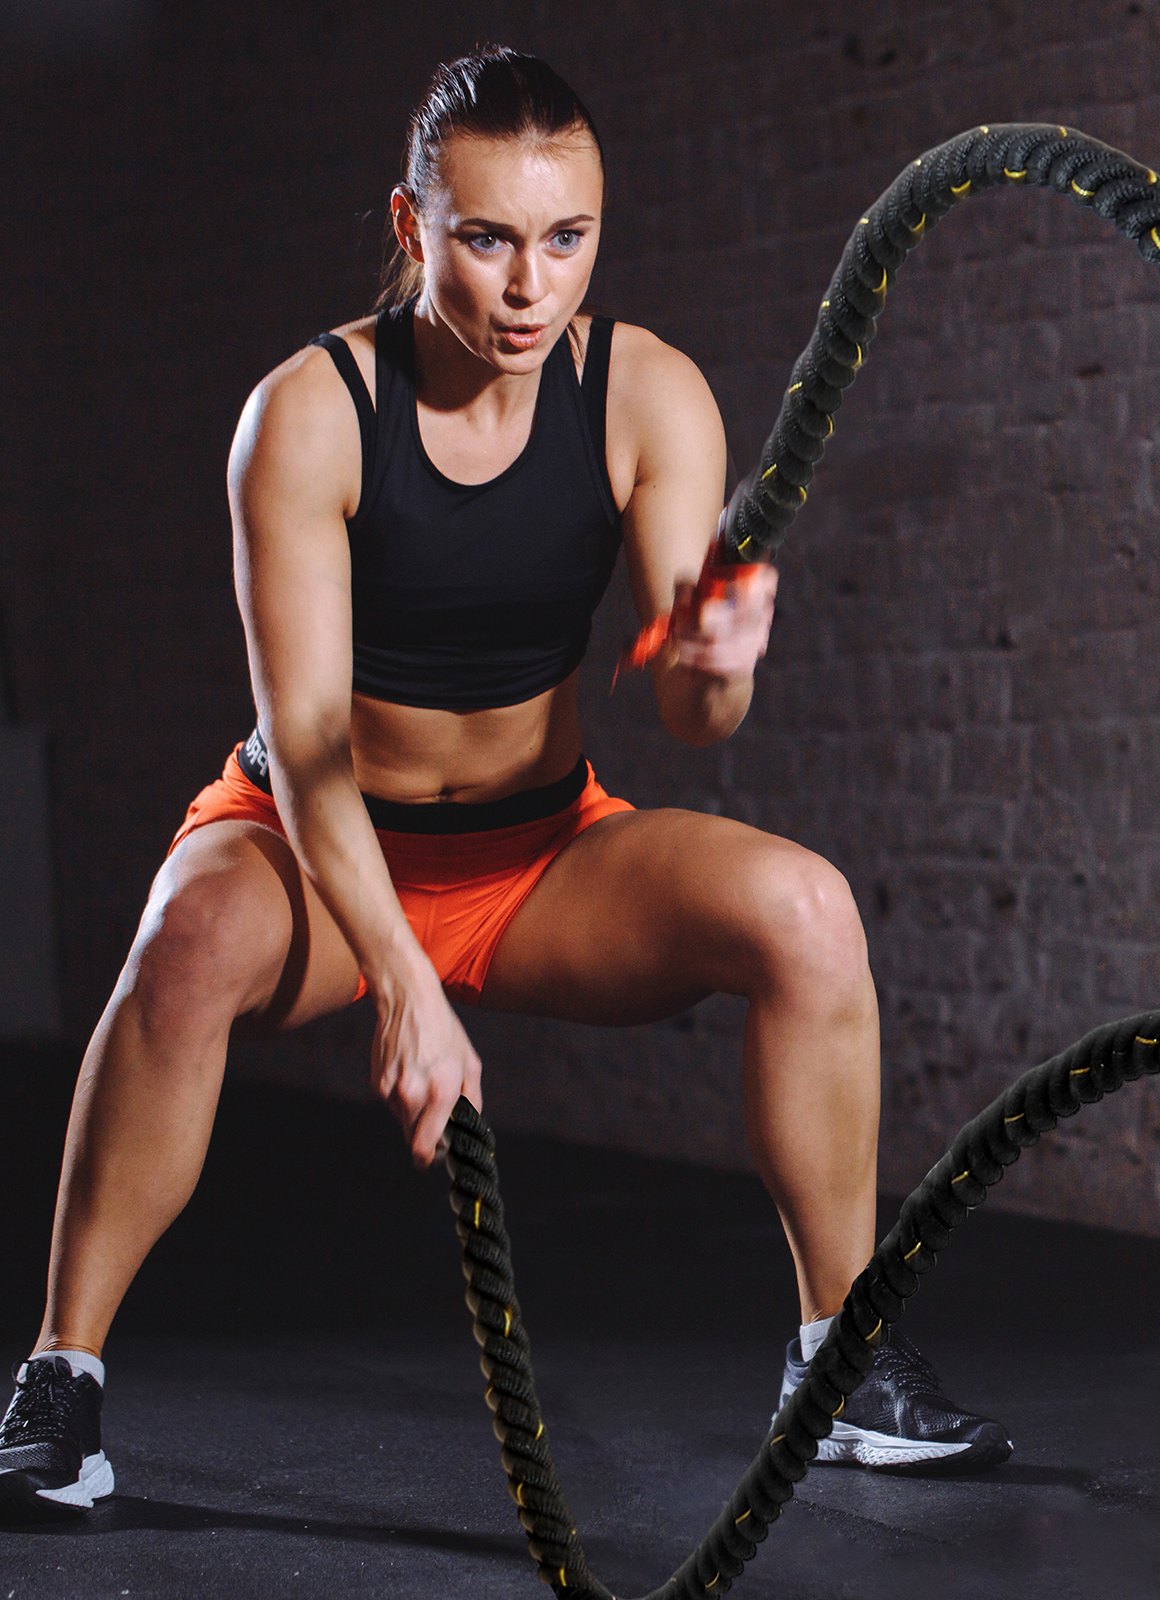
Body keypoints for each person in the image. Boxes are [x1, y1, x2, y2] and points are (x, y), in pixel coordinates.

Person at [0, 46, 1010, 1520]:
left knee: (807, 911)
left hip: (540, 854)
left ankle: (836, 1356)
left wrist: (720, 653)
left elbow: (687, 714)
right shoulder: (308, 416)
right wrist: (402, 982)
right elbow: (312, 751)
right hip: (320, 851)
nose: (530, 284)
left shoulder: (646, 393)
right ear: (413, 230)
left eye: (565, 238)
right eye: (486, 238)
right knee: (188, 940)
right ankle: (60, 1378)